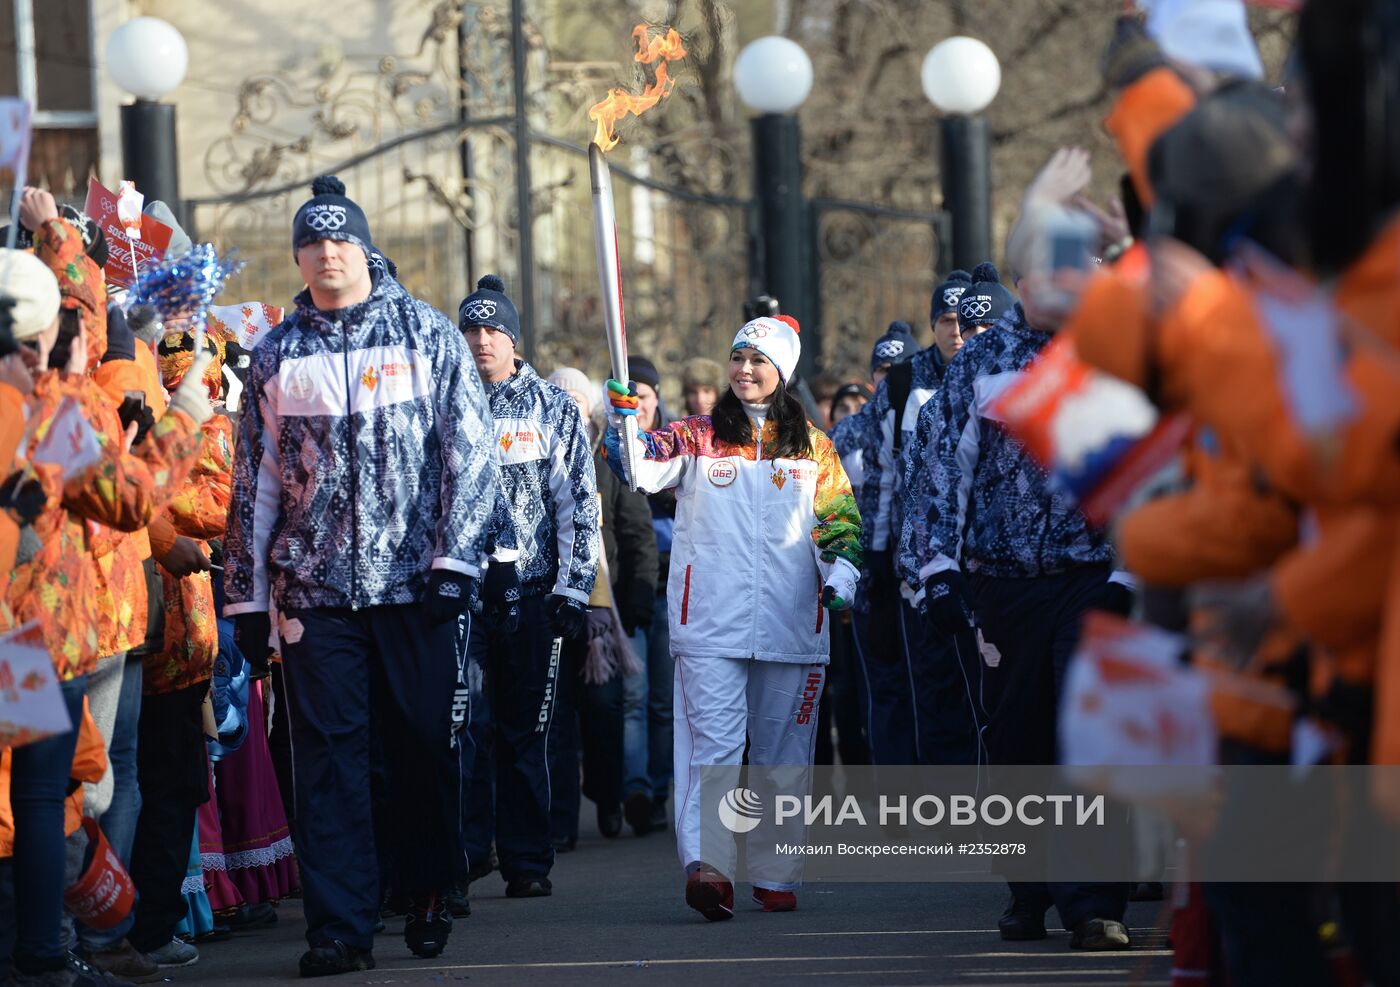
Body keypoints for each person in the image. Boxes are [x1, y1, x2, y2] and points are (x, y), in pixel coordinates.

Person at [224, 176, 499, 976]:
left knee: (420, 744)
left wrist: (454, 561)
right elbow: (257, 480)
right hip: (315, 592)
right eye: (312, 243)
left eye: (339, 240)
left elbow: (468, 456)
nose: (327, 253)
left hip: (416, 583)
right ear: (300, 256)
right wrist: (247, 594)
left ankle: (425, 886)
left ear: (365, 247)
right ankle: (339, 926)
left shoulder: (426, 333)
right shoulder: (278, 351)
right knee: (330, 757)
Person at [915, 207, 1135, 951]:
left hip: (1089, 577)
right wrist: (939, 571)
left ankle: (1094, 902)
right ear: (1017, 281)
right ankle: (1029, 888)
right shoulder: (981, 365)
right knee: (1017, 740)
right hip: (1003, 585)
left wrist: (1131, 572)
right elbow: (941, 472)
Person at [603, 313, 862, 921]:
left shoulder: (814, 448)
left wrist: (841, 578)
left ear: (782, 372)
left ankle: (775, 875)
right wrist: (625, 421)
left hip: (794, 626)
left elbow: (842, 526)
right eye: (738, 359)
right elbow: (639, 467)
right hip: (710, 624)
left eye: (758, 362)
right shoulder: (696, 434)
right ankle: (709, 870)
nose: (744, 371)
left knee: (782, 756)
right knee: (713, 752)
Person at [458, 275, 599, 898]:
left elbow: (579, 504)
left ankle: (526, 860)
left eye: (493, 331)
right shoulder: (446, 401)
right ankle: (462, 857)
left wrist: (574, 590)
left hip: (536, 599)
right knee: (462, 728)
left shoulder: (552, 406)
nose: (482, 341)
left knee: (526, 733)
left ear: (514, 340)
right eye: (472, 330)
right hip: (461, 597)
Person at [546, 367, 658, 843]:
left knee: (604, 710)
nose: (571, 406)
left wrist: (637, 603)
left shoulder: (609, 456)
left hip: (602, 615)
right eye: (561, 397)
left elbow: (636, 533)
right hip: (549, 605)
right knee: (556, 717)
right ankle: (560, 822)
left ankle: (610, 799)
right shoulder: (539, 452)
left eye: (578, 397)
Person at [620, 354, 676, 836]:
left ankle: (658, 791)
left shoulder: (681, 444)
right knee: (634, 696)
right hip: (633, 595)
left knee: (663, 699)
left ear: (658, 399)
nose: (636, 405)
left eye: (644, 397)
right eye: (628, 397)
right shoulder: (611, 450)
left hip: (675, 590)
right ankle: (635, 788)